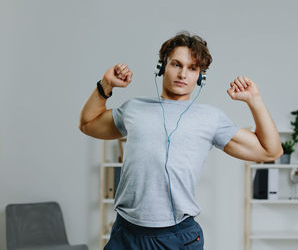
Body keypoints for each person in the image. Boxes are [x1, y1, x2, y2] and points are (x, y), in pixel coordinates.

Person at [79, 31, 283, 250]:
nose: (183, 74)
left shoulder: (210, 118)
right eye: (176, 64)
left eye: (192, 68)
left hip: (177, 237)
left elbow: (271, 151)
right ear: (162, 67)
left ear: (200, 76)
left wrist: (254, 100)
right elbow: (88, 123)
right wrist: (106, 84)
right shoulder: (135, 108)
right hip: (127, 233)